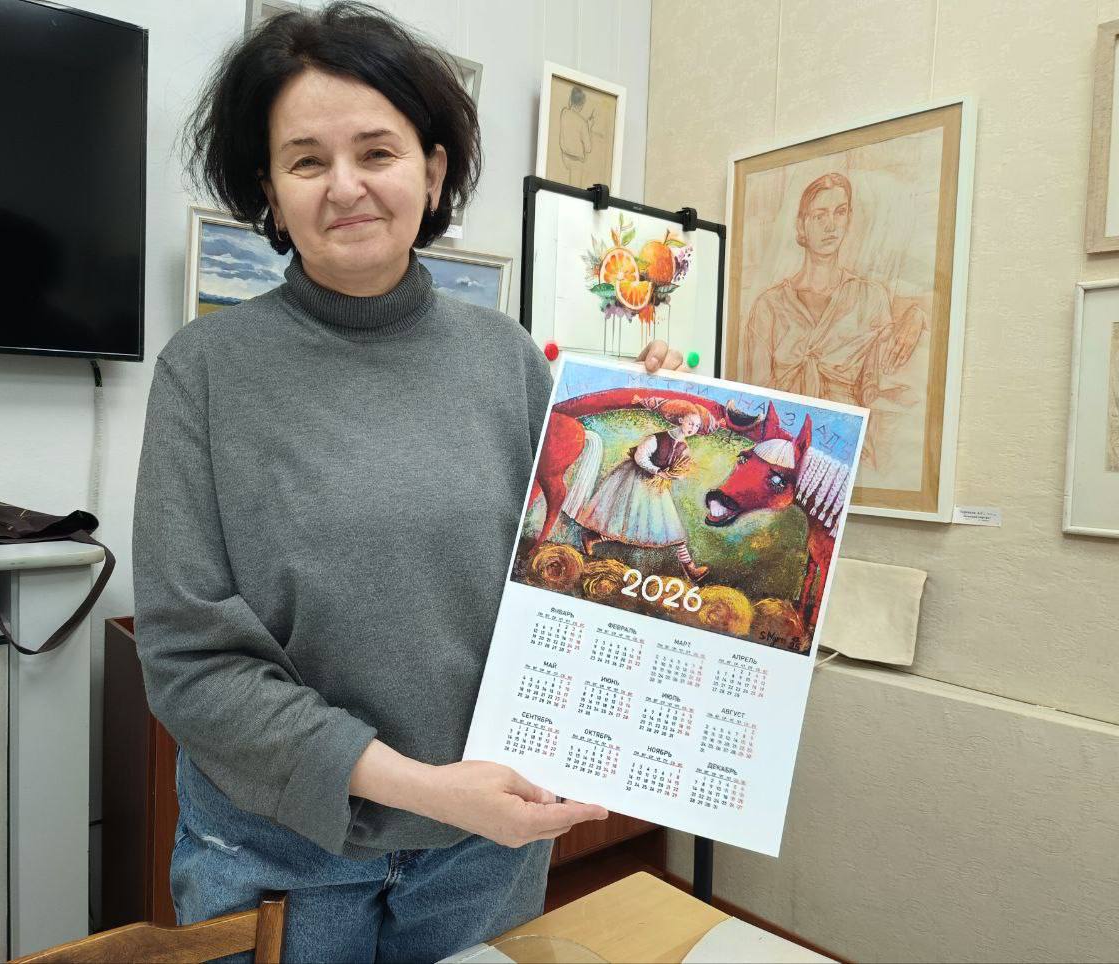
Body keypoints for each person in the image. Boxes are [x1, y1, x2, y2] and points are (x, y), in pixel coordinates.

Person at [132, 4, 692, 962]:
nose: (345, 185)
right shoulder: (206, 370)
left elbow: (581, 574)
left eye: (377, 151)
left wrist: (660, 421)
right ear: (269, 190)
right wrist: (425, 788)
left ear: (432, 173)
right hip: (278, 854)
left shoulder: (509, 361)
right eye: (306, 160)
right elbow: (192, 665)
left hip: (482, 855)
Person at [743, 172, 924, 467]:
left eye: (839, 212)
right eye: (819, 215)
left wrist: (916, 317)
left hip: (845, 453)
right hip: (783, 452)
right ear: (802, 225)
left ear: (849, 218)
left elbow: (882, 375)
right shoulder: (769, 306)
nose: (831, 225)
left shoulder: (870, 297)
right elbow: (756, 402)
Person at [573, 398, 714, 583]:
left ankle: (690, 568)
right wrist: (657, 471)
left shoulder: (684, 447)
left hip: (655, 487)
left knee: (671, 527)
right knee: (625, 521)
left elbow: (682, 469)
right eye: (690, 423)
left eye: (696, 426)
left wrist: (676, 475)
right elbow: (640, 456)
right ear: (681, 420)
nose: (692, 428)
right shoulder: (657, 438)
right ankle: (592, 538)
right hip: (635, 480)